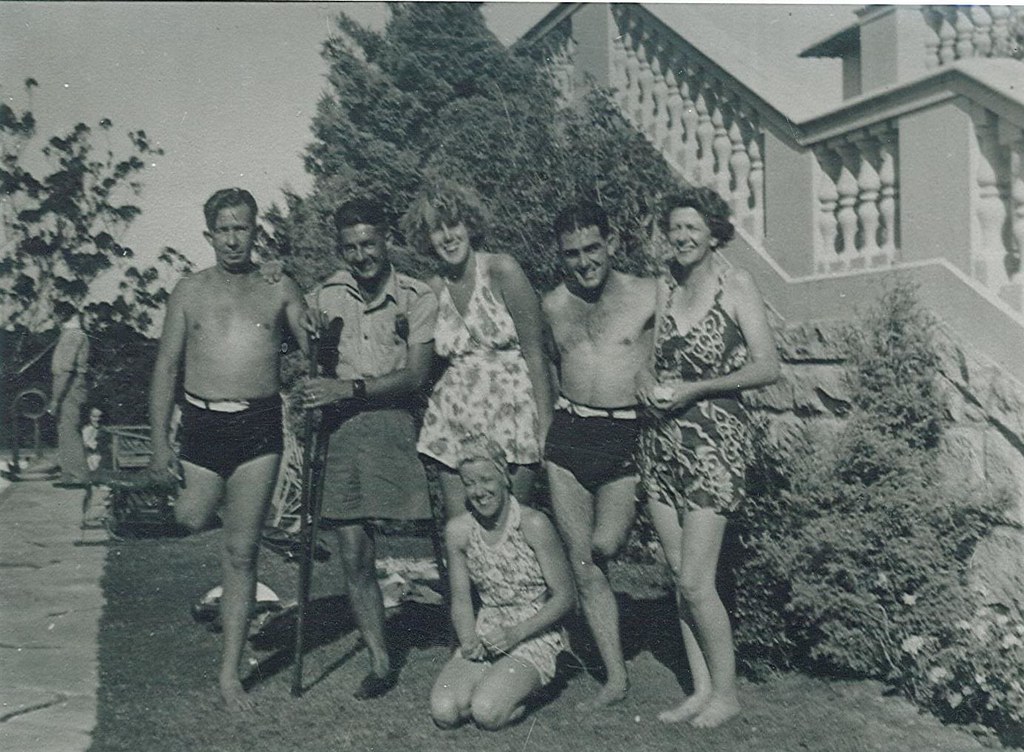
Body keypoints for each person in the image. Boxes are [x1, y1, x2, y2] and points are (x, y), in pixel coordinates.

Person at [147, 187, 307, 711]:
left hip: (259, 427)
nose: (234, 238)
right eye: (225, 229)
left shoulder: (277, 287)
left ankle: (230, 674)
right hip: (199, 424)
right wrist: (157, 446)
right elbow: (166, 367)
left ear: (255, 230)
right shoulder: (188, 291)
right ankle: (218, 516)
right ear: (209, 234)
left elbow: (316, 345)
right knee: (190, 517)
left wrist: (295, 286)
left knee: (241, 552)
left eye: (243, 228)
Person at [635, 186, 780, 728]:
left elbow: (768, 367)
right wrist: (646, 380)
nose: (682, 236)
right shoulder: (663, 287)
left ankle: (728, 694)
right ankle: (700, 690)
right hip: (662, 443)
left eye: (693, 227)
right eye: (675, 227)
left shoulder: (736, 284)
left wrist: (699, 388)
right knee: (679, 574)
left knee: (698, 580)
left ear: (714, 231)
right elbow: (646, 361)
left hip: (715, 443)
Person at [296, 197, 438, 700]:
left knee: (439, 539)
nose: (361, 256)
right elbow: (287, 315)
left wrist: (347, 388)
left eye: (369, 244)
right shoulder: (325, 295)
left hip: (398, 424)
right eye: (350, 247)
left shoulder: (416, 295)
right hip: (341, 433)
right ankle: (380, 660)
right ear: (341, 249)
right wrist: (274, 277)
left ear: (387, 241)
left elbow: (417, 376)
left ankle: (470, 639)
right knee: (353, 552)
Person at [541, 200, 657, 710]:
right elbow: (544, 364)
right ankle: (615, 678)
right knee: (585, 563)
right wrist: (545, 431)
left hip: (624, 433)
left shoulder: (649, 294)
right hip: (568, 436)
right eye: (572, 253)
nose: (584, 261)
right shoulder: (552, 305)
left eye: (592, 248)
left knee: (606, 546)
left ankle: (570, 627)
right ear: (560, 256)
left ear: (611, 243)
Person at [402, 180, 553, 518]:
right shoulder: (432, 289)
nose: (447, 236)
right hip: (453, 418)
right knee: (461, 530)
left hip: (512, 413)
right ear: (426, 238)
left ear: (469, 224)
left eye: (453, 224)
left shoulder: (503, 270)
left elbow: (536, 354)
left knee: (512, 526)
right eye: (436, 230)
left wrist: (545, 427)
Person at [430, 436, 575, 730]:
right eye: (469, 483)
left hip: (534, 631)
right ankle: (497, 679)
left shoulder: (533, 524)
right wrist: (469, 640)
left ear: (505, 477)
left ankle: (527, 685)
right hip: (488, 629)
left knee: (486, 712)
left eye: (486, 480)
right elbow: (461, 599)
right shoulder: (459, 531)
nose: (479, 491)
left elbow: (565, 597)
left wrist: (516, 633)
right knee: (444, 711)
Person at [48, 303, 90, 487]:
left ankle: (77, 476)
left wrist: (56, 400)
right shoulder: (72, 335)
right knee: (65, 430)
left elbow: (65, 371)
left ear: (62, 316)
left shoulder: (72, 336)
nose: (54, 320)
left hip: (70, 388)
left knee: (69, 430)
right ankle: (70, 474)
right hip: (71, 387)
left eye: (55, 315)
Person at [82, 406, 105, 473]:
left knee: (97, 465)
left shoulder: (101, 428)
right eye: (94, 417)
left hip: (99, 451)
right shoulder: (87, 428)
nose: (97, 419)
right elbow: (85, 441)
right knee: (91, 465)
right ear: (89, 417)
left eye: (99, 417)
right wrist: (91, 446)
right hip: (90, 451)